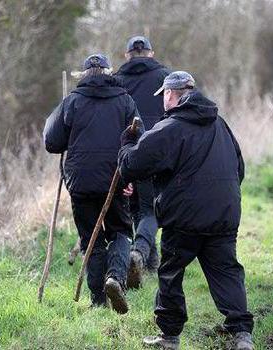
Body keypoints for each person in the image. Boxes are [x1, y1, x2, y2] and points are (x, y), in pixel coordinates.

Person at [119, 71, 254, 349]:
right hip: (224, 213)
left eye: (164, 96)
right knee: (226, 270)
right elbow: (239, 167)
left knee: (170, 272)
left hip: (185, 218)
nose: (163, 102)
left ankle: (169, 337)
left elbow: (132, 165)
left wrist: (127, 144)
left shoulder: (170, 127)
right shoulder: (220, 123)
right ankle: (242, 335)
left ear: (170, 94)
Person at [43, 54, 138, 314]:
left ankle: (98, 301)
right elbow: (137, 140)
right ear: (109, 73)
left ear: (84, 75)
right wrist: (130, 177)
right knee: (120, 231)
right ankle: (115, 278)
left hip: (80, 181)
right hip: (114, 179)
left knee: (90, 240)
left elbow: (51, 142)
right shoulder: (125, 101)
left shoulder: (71, 101)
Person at [114, 35, 170, 288]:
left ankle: (148, 262)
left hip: (126, 152)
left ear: (127, 55)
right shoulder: (165, 78)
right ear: (151, 53)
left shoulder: (115, 81)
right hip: (156, 152)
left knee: (135, 207)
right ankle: (139, 252)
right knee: (150, 210)